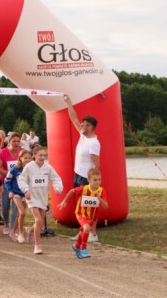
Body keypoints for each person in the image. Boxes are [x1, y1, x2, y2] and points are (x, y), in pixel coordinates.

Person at [64, 94, 101, 242]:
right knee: (81, 206)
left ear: (91, 127)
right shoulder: (83, 136)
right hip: (78, 175)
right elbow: (73, 117)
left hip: (87, 178)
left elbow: (96, 163)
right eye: (82, 124)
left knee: (90, 205)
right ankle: (83, 231)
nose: (82, 126)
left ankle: (93, 233)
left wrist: (93, 181)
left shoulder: (94, 143)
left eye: (85, 125)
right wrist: (69, 102)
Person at [18, 146, 63, 254]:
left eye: (44, 155)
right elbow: (21, 179)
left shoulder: (48, 167)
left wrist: (58, 188)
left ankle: (30, 230)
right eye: (40, 155)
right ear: (34, 156)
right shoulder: (29, 167)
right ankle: (37, 246)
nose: (43, 157)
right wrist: (26, 190)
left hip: (43, 198)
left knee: (40, 223)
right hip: (32, 197)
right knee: (38, 221)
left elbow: (56, 178)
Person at [58, 168, 108, 259]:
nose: (97, 182)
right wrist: (64, 201)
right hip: (81, 213)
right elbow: (72, 191)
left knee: (83, 231)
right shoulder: (84, 189)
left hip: (92, 216)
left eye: (99, 179)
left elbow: (106, 206)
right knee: (87, 228)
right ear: (89, 180)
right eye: (95, 180)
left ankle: (77, 246)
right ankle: (83, 248)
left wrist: (99, 199)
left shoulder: (101, 191)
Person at [0, 132, 24, 233]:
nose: (16, 143)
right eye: (14, 141)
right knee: (6, 205)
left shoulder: (23, 152)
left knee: (16, 207)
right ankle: (6, 224)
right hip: (6, 182)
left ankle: (13, 228)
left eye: (18, 141)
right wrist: (10, 174)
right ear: (9, 142)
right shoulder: (3, 152)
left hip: (18, 184)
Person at [4, 150, 32, 243]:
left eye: (29, 158)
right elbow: (7, 181)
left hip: (25, 193)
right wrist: (10, 191)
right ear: (20, 158)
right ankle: (20, 233)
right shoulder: (14, 169)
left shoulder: (31, 169)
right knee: (22, 213)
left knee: (19, 215)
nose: (27, 160)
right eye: (25, 158)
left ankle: (12, 231)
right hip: (16, 194)